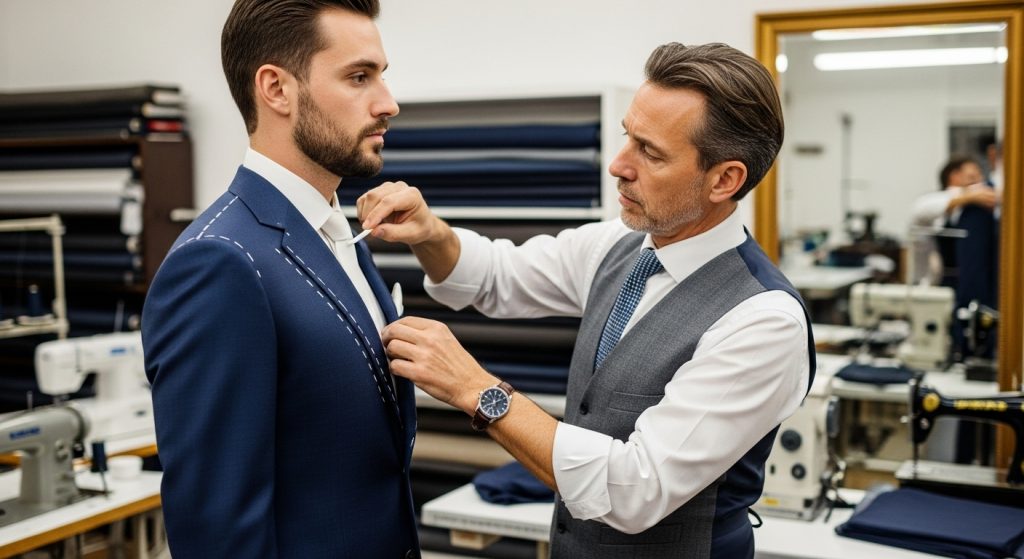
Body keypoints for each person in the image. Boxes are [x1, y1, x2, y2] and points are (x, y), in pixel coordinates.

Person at [363, 43, 814, 558]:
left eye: (650, 152)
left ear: (725, 179)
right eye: (628, 136)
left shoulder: (763, 321)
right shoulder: (616, 247)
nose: (618, 166)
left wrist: (474, 387)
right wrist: (429, 231)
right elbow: (493, 276)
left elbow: (634, 489)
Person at [141, 1, 419, 557]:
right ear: (276, 89)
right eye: (359, 77)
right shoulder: (219, 262)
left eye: (381, 77)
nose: (388, 103)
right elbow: (218, 530)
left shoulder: (334, 229)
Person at [909, 156, 998, 286]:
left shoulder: (976, 208)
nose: (980, 183)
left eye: (980, 178)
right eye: (972, 177)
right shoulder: (930, 202)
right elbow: (919, 210)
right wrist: (970, 195)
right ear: (954, 176)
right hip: (936, 283)